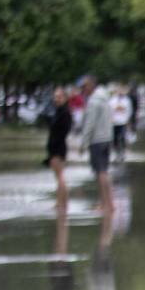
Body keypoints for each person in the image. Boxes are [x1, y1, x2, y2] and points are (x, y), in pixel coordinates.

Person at [76, 75, 113, 215]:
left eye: (84, 86)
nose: (82, 90)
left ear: (91, 85)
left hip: (97, 141)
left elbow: (89, 124)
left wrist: (83, 143)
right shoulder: (105, 98)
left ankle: (104, 204)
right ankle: (109, 203)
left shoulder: (93, 102)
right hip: (106, 139)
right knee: (104, 172)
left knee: (100, 173)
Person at [43, 86, 72, 208]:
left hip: (58, 148)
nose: (56, 99)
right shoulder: (58, 111)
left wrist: (55, 147)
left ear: (65, 98)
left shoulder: (65, 113)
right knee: (58, 176)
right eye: (55, 96)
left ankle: (61, 202)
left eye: (59, 97)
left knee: (60, 176)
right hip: (55, 147)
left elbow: (62, 132)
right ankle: (61, 201)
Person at [110, 83, 132, 161]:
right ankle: (116, 153)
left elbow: (129, 111)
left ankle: (123, 152)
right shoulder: (112, 100)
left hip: (123, 122)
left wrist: (128, 121)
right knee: (115, 138)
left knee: (122, 137)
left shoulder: (127, 100)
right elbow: (110, 110)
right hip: (114, 122)